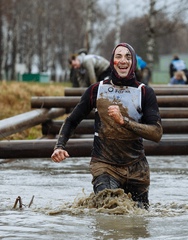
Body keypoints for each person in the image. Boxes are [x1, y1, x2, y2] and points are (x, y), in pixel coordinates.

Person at [51, 42, 163, 210]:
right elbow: (72, 120)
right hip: (104, 164)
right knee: (110, 211)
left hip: (137, 168)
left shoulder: (145, 92)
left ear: (133, 62)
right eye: (118, 56)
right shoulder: (97, 89)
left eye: (128, 57)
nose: (123, 60)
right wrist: (59, 146)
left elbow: (156, 133)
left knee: (138, 223)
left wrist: (123, 121)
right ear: (112, 61)